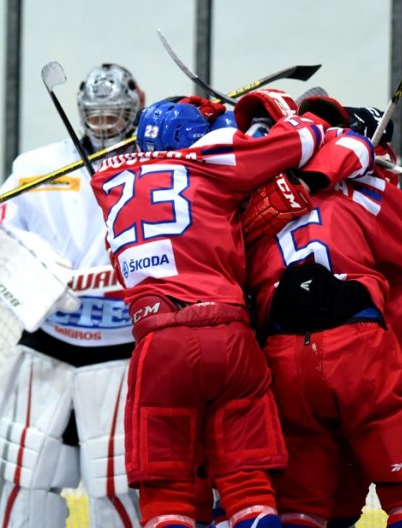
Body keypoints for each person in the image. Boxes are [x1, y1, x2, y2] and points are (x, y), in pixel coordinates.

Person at [90, 89, 337, 528]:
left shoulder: (105, 185)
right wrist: (249, 116)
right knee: (248, 483)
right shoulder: (212, 162)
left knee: (168, 493)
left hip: (158, 345)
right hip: (228, 335)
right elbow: (305, 136)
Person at [0, 63, 145, 528]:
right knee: (16, 475)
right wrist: (38, 274)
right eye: (96, 115)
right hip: (48, 341)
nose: (104, 125)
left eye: (115, 115)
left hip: (124, 349)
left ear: (135, 110)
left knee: (123, 483)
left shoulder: (158, 163)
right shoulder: (37, 166)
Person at [242, 97, 402, 527]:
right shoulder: (366, 189)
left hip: (281, 354)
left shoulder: (244, 197)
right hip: (360, 348)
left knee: (303, 504)